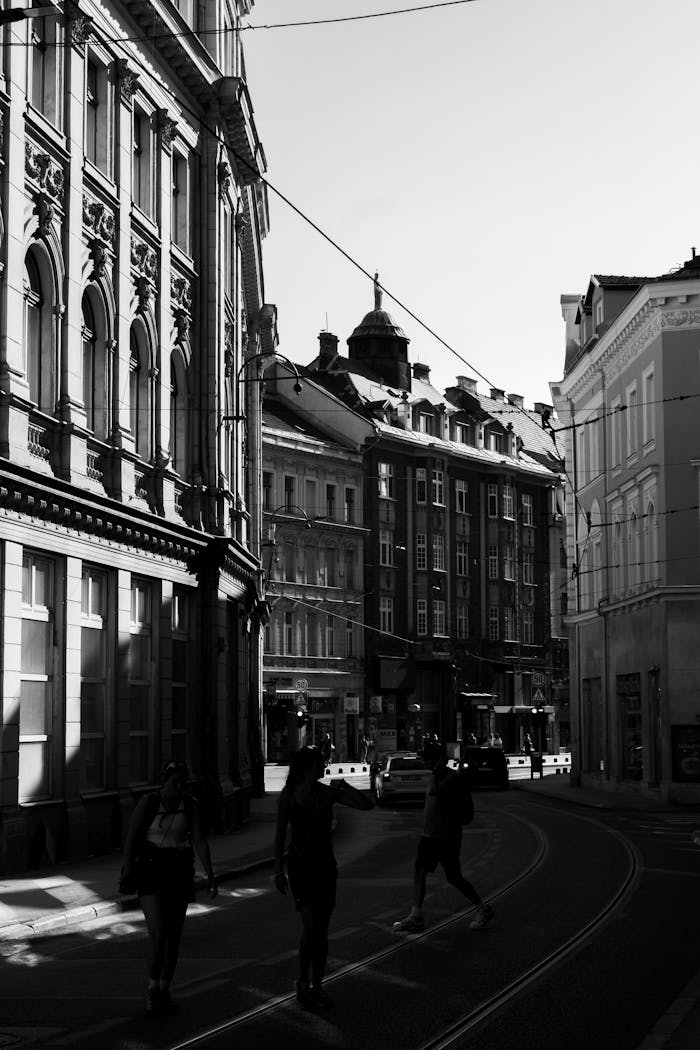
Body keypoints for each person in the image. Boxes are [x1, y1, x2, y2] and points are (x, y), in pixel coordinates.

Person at [274, 745, 374, 1008]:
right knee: (311, 927)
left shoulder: (327, 792)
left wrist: (345, 788)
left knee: (322, 929)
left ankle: (317, 985)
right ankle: (302, 981)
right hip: (301, 866)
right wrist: (277, 870)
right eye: (321, 762)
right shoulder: (289, 795)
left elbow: (367, 805)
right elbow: (279, 833)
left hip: (324, 864)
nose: (325, 766)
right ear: (309, 767)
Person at [121, 760, 217, 1016]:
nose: (179, 786)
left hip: (178, 870)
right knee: (159, 931)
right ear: (164, 781)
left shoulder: (190, 805)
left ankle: (164, 989)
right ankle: (152, 988)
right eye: (174, 781)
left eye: (182, 781)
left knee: (174, 936)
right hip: (151, 870)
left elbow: (198, 840)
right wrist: (128, 868)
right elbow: (132, 836)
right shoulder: (149, 802)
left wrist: (210, 876)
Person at [393, 737, 494, 934]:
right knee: (421, 872)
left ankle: (483, 908)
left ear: (437, 759)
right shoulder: (438, 775)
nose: (424, 761)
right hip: (431, 835)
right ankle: (417, 916)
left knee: (453, 877)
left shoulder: (450, 778)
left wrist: (447, 775)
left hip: (445, 837)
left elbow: (439, 794)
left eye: (427, 758)